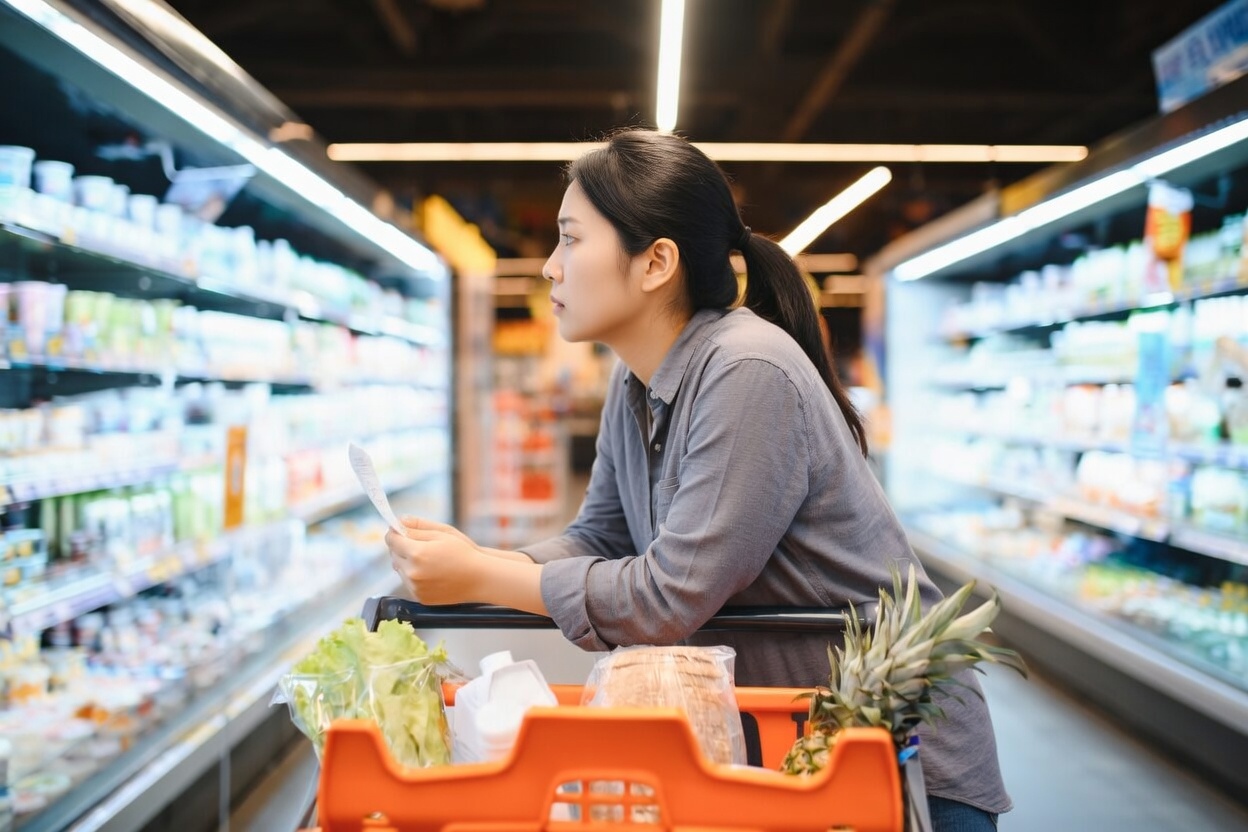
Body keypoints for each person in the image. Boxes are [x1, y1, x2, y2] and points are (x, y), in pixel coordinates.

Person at [385, 128, 1010, 830]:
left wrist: (482, 579)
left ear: (655, 263)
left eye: (571, 239)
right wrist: (475, 562)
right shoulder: (635, 381)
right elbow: (601, 534)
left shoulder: (747, 373)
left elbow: (669, 595)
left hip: (895, 761)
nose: (550, 269)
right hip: (792, 748)